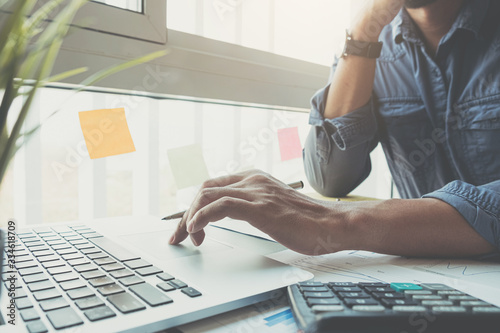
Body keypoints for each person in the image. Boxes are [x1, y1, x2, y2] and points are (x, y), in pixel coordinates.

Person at [169, 0, 499, 257]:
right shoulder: (369, 44)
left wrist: (340, 221)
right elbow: (331, 178)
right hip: (428, 266)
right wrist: (363, 35)